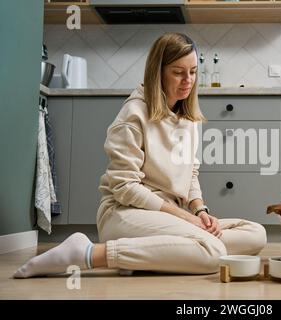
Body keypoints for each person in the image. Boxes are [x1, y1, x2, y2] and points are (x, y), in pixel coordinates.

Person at [13, 33, 267, 278]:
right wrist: (185, 218)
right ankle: (88, 253)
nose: (187, 80)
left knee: (256, 234)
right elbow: (124, 188)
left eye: (192, 72)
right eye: (178, 72)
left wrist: (200, 210)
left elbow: (190, 174)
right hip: (125, 213)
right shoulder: (134, 115)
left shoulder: (187, 118)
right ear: (158, 73)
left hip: (170, 215)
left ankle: (144, 255)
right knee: (213, 251)